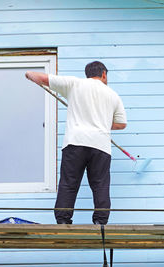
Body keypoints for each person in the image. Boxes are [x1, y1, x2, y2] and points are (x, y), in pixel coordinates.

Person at [25, 61, 127, 225]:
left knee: (69, 183)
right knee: (100, 185)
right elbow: (121, 124)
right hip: (101, 145)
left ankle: (63, 221)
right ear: (104, 74)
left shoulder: (74, 84)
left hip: (75, 142)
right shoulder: (113, 95)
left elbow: (38, 77)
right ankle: (100, 222)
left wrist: (29, 75)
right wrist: (100, 122)